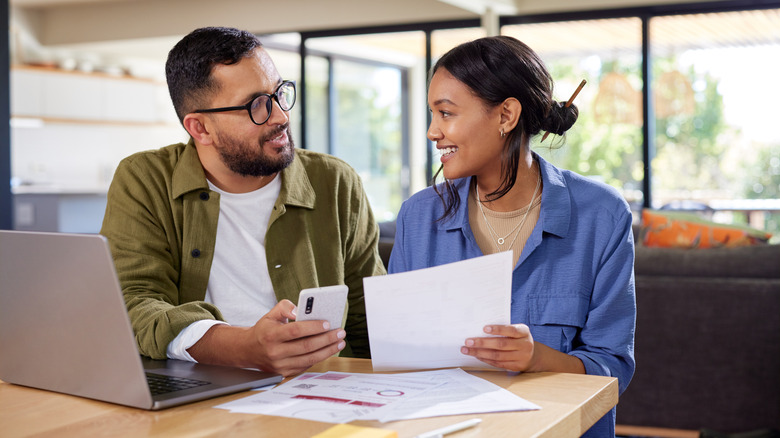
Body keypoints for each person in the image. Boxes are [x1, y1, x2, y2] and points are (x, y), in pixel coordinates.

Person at [100, 27, 385, 377]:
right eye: (257, 106)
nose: (281, 116)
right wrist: (244, 348)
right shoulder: (145, 178)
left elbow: (369, 313)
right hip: (198, 389)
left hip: (322, 386)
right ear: (200, 128)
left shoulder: (335, 181)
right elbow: (134, 303)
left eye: (279, 94)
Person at [388, 36, 636, 437]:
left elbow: (613, 368)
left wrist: (538, 357)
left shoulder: (602, 215)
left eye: (446, 113)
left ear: (506, 115)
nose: (433, 131)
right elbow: (398, 357)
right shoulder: (419, 217)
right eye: (432, 115)